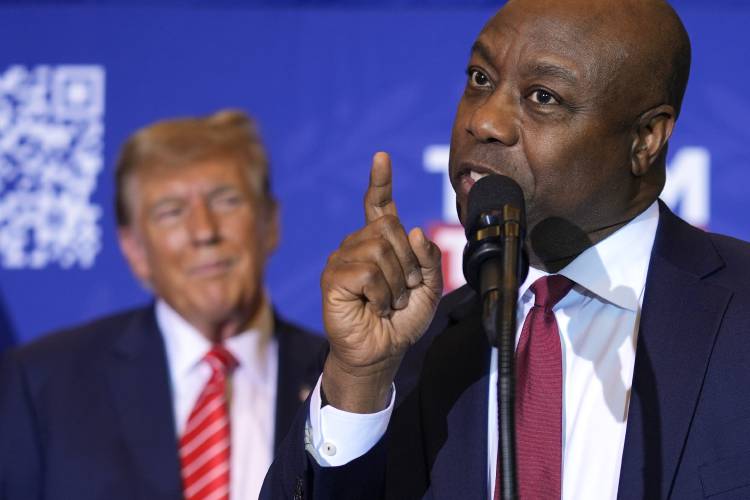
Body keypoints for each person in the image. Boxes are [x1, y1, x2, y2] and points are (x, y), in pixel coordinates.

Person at [262, 0, 750, 498]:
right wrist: (358, 381)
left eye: (543, 96)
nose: (485, 121)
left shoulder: (739, 311)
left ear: (646, 139)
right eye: (479, 79)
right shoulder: (416, 352)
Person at [0, 110, 326, 500]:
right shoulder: (42, 385)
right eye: (171, 212)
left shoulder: (345, 380)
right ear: (134, 249)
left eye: (226, 201)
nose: (204, 232)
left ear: (270, 223)